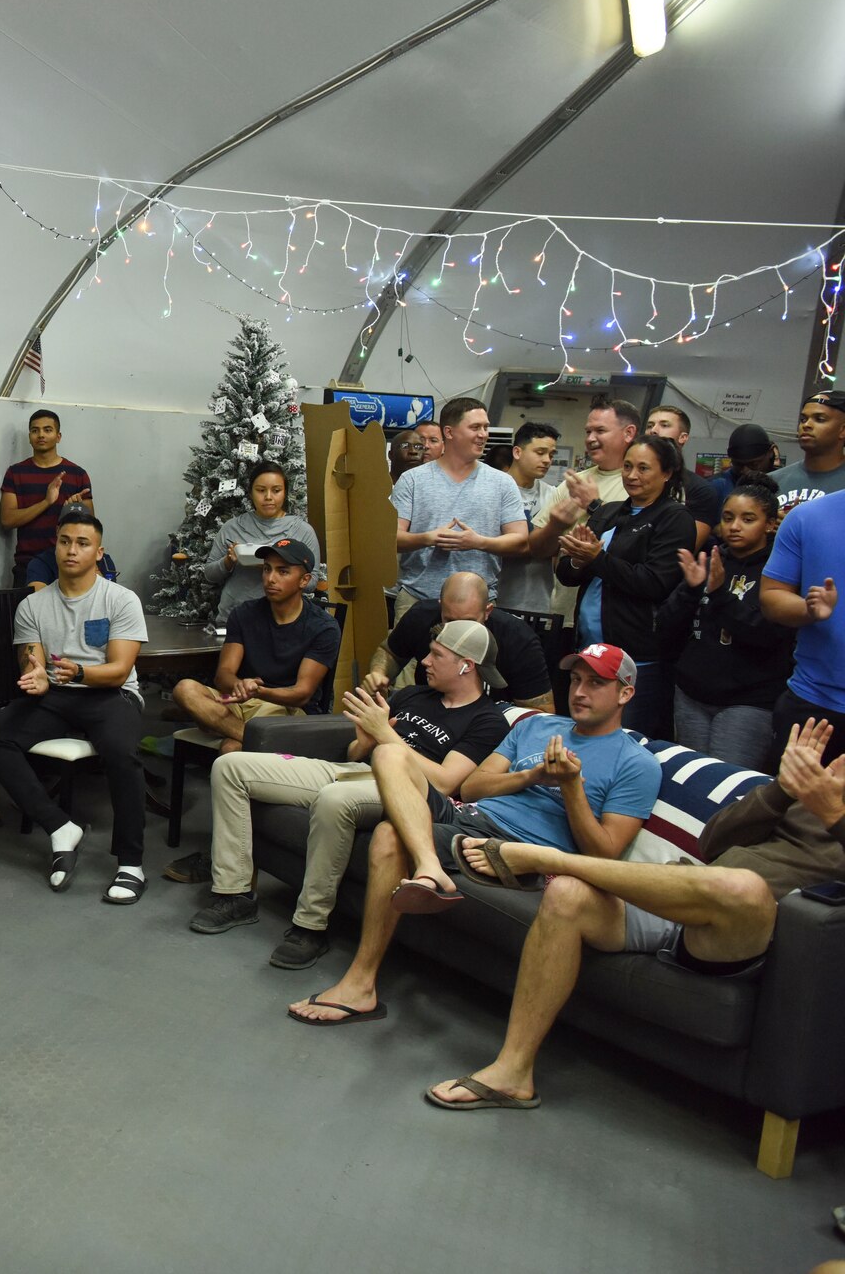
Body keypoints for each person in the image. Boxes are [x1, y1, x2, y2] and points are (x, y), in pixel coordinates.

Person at [423, 717, 844, 1110]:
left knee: (743, 886)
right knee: (567, 896)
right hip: (682, 896)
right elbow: (712, 843)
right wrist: (781, 791)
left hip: (737, 934)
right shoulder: (808, 792)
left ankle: (547, 859)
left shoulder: (830, 806)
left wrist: (834, 816)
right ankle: (513, 1072)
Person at [289, 644, 661, 1027]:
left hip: (513, 847)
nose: (580, 692)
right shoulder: (537, 726)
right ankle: (430, 867)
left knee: (388, 834)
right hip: (469, 814)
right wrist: (531, 776)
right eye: (576, 680)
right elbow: (472, 787)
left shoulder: (637, 764)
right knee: (388, 754)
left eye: (596, 683)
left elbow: (603, 855)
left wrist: (570, 788)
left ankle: (361, 984)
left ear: (625, 693)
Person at [187, 620, 510, 970]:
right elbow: (355, 753)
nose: (425, 662)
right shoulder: (414, 695)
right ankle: (235, 895)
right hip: (356, 770)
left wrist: (385, 737)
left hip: (404, 791)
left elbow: (446, 782)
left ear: (467, 665)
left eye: (436, 655)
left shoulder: (487, 720)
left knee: (333, 800)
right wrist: (367, 738)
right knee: (231, 767)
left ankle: (310, 925)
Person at [0, 508, 151, 902]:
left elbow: (120, 670)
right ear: (55, 545)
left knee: (122, 755)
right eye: (65, 541)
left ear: (99, 552)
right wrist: (35, 674)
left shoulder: (121, 600)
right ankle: (60, 827)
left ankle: (130, 863)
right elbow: (33, 659)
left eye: (83, 543)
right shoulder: (33, 605)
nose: (72, 550)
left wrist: (79, 674)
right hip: (58, 694)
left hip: (110, 693)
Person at [556, 435, 693, 738]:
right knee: (581, 735)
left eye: (643, 468)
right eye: (628, 466)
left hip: (638, 656)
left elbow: (654, 582)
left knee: (628, 739)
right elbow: (567, 573)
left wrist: (596, 558)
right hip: (589, 650)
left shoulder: (674, 518)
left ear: (667, 473)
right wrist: (579, 559)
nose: (632, 476)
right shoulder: (608, 511)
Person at [657, 474, 794, 772]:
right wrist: (692, 590)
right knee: (690, 783)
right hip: (692, 694)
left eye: (748, 519)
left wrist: (720, 595)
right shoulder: (711, 559)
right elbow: (666, 626)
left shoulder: (780, 569)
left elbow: (767, 634)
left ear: (770, 524)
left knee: (726, 789)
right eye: (728, 517)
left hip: (748, 701)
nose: (734, 526)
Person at [172, 538, 341, 752]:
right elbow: (223, 675)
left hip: (285, 710)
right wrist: (239, 685)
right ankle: (259, 738)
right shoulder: (244, 614)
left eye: (283, 572)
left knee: (231, 749)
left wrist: (258, 692)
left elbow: (301, 694)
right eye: (267, 569)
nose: (270, 579)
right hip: (239, 702)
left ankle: (234, 731)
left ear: (304, 580)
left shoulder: (323, 626)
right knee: (185, 689)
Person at [390, 396, 529, 616]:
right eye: (475, 427)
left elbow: (520, 541)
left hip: (478, 604)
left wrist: (478, 542)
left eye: (485, 427)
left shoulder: (502, 482)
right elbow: (390, 538)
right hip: (417, 599)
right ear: (449, 432)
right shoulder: (413, 480)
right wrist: (428, 538)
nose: (483, 434)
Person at [364, 571, 554, 712]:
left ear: (487, 611)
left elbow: (541, 715)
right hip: (429, 715)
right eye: (450, 621)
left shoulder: (518, 639)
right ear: (440, 607)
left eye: (469, 622)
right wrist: (378, 674)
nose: (458, 629)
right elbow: (390, 652)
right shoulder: (421, 616)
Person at [761, 489, 845, 768]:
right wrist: (808, 610)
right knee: (789, 809)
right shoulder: (808, 517)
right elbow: (772, 596)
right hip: (815, 703)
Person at [197, 462, 321, 627]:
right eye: (261, 490)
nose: (268, 497)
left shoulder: (302, 531)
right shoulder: (232, 527)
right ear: (250, 493)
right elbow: (209, 575)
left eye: (276, 490)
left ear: (285, 493)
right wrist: (228, 561)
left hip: (284, 623)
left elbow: (311, 582)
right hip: (233, 619)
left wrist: (276, 567)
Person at [530, 398, 643, 565]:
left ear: (629, 433)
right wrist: (555, 526)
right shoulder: (577, 482)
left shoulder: (644, 484)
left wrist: (595, 505)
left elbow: (642, 543)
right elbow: (538, 550)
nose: (590, 439)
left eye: (600, 430)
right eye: (588, 432)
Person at [0, 408, 93, 583]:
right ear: (29, 437)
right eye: (35, 430)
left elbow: (90, 527)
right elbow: (7, 520)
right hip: (27, 565)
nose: (40, 435)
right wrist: (47, 502)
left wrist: (73, 512)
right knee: (27, 611)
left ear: (58, 436)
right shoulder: (16, 472)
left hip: (68, 565)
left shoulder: (77, 474)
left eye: (47, 430)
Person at [495, 421, 561, 614]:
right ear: (517, 452)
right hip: (495, 598)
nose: (548, 460)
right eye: (540, 452)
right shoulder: (494, 489)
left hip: (538, 602)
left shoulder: (553, 494)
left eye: (551, 454)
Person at [643, 403, 722, 546]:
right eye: (649, 425)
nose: (653, 431)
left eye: (664, 425)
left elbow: (686, 548)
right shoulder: (633, 480)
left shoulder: (700, 490)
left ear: (683, 437)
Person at [769, 388, 845, 515]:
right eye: (803, 419)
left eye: (820, 419)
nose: (806, 425)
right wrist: (768, 524)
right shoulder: (773, 481)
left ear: (843, 430)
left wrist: (799, 525)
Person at [709, 422, 779, 503]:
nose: (745, 471)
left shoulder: (786, 482)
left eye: (754, 464)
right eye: (738, 465)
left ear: (770, 452)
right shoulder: (716, 488)